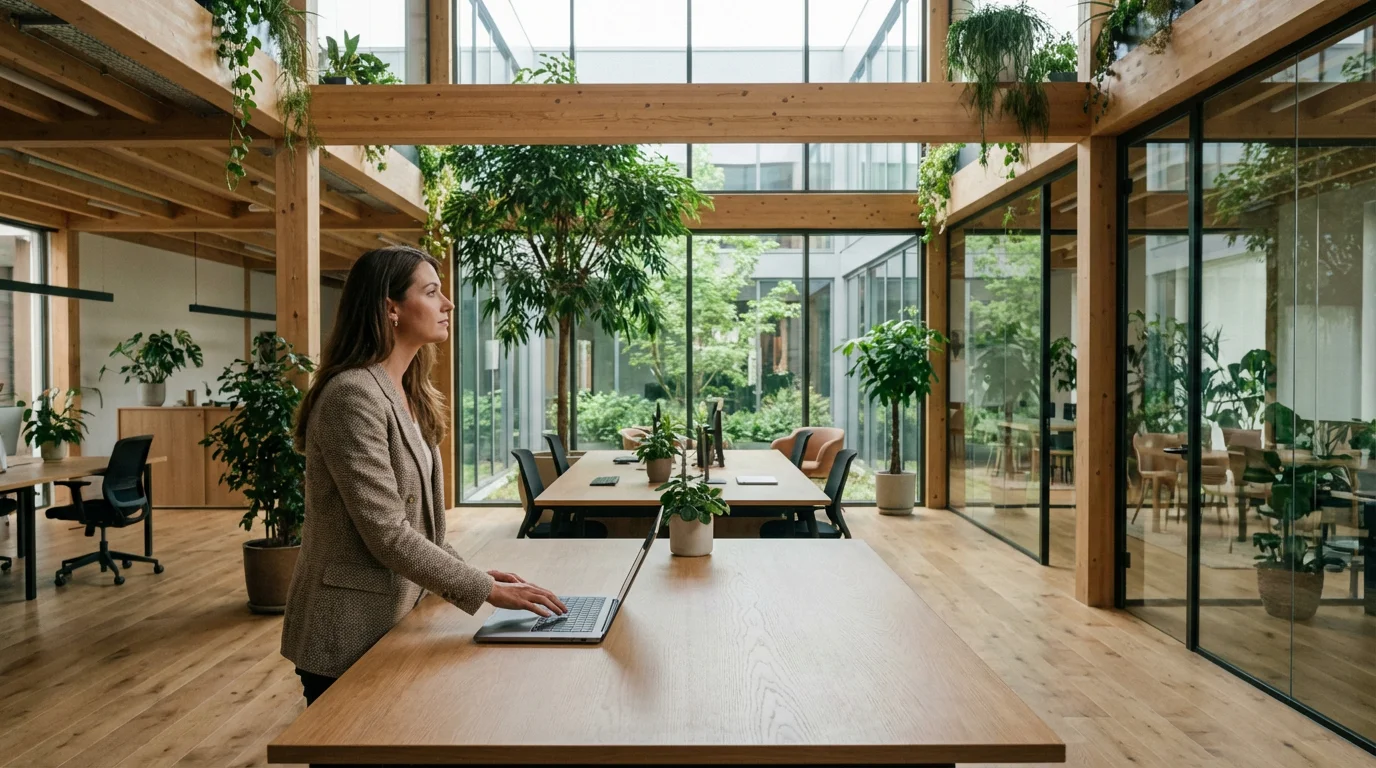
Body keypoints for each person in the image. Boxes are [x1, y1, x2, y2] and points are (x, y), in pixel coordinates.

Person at [282, 246, 566, 706]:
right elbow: (388, 533)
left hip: (399, 621)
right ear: (390, 308)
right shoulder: (352, 396)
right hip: (348, 631)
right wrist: (487, 590)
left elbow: (420, 528)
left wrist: (470, 573)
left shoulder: (408, 390)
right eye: (432, 292)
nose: (448, 304)